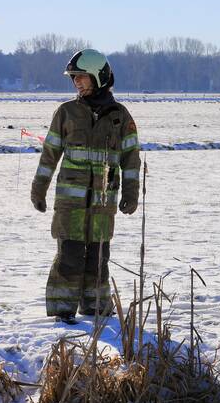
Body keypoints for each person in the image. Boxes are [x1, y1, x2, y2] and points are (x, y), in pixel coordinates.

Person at [31, 49, 141, 324]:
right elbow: (49, 155)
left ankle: (97, 312)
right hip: (70, 206)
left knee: (98, 260)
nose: (76, 82)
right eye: (74, 78)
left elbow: (131, 159)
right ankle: (61, 313)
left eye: (81, 77)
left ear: (98, 77)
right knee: (68, 258)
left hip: (103, 206)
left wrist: (131, 194)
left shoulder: (121, 117)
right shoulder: (66, 113)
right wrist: (38, 188)